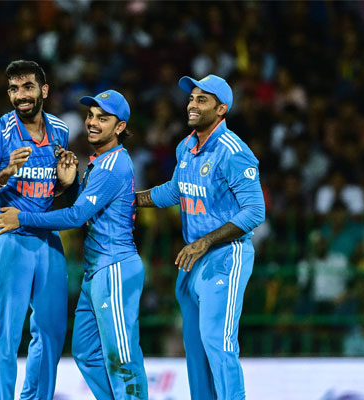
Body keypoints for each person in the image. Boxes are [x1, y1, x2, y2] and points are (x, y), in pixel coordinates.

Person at [0, 90, 149, 400]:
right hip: (97, 272)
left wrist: (21, 218)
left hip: (115, 268)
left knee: (122, 354)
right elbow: (86, 208)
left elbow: (77, 216)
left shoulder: (113, 165)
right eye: (91, 116)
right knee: (86, 352)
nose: (92, 123)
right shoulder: (99, 162)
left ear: (120, 127)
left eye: (102, 119)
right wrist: (71, 182)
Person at [135, 75, 265, 400]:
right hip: (192, 263)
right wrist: (130, 197)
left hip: (225, 258)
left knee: (217, 342)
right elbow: (174, 191)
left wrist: (206, 241)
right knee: (195, 351)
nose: (192, 104)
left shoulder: (234, 151)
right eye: (192, 98)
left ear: (221, 109)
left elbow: (254, 212)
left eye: (202, 100)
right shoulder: (186, 146)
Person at [0, 60, 76, 400]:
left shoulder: (59, 130)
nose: (20, 95)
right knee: (7, 335)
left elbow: (47, 188)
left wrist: (64, 185)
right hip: (6, 238)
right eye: (13, 89)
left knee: (52, 331)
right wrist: (4, 173)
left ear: (44, 90)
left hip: (45, 236)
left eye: (27, 87)